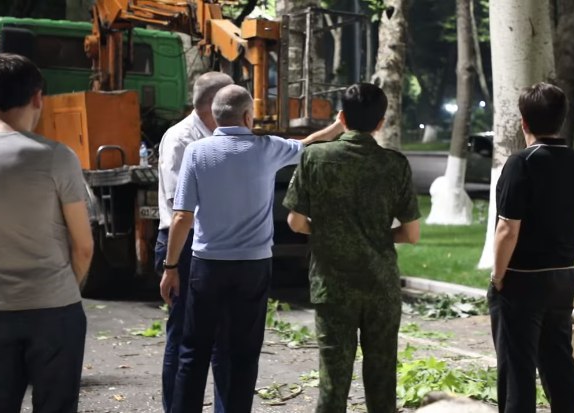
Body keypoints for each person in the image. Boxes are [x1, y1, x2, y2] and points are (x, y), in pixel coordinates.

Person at [160, 84, 344, 412]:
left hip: (207, 266)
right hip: (253, 267)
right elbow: (308, 145)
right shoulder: (267, 148)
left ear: (216, 116)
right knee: (242, 354)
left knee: (193, 351)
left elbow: (181, 217)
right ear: (248, 116)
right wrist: (338, 126)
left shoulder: (197, 152)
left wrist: (171, 267)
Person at [284, 82, 421, 413]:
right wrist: (375, 234)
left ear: (342, 117)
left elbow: (295, 222)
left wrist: (330, 231)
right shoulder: (395, 164)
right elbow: (411, 234)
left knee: (333, 381)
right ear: (381, 122)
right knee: (382, 378)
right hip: (380, 286)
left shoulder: (315, 158)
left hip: (332, 287)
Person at [0, 53, 93, 411]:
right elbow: (83, 247)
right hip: (55, 308)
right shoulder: (57, 157)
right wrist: (65, 290)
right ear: (38, 97)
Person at [488, 82, 574, 413]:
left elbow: (507, 228)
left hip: (523, 278)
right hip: (563, 277)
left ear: (524, 122)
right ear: (561, 119)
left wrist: (498, 276)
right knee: (558, 361)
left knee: (517, 366)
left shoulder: (522, 162)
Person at [155, 71, 233, 413]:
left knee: (222, 338)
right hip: (183, 243)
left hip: (213, 242)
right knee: (185, 336)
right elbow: (180, 209)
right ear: (215, 103)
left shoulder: (221, 136)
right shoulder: (181, 139)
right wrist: (171, 266)